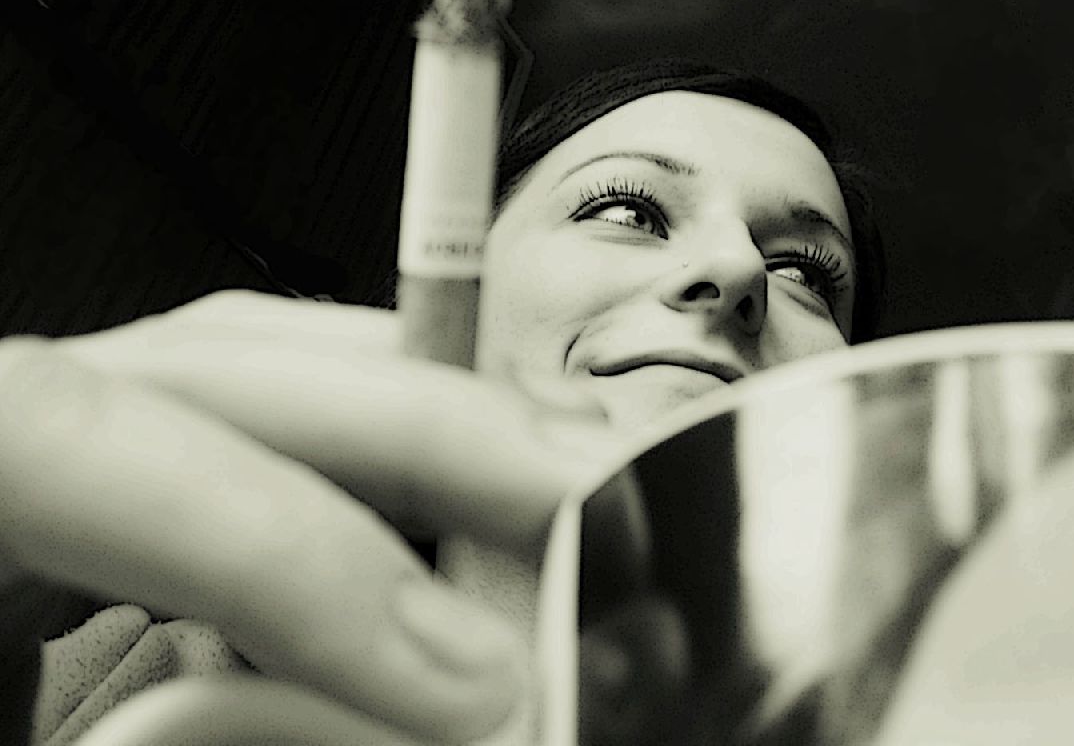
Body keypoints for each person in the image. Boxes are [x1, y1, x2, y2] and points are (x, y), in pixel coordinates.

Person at [0, 58, 885, 746]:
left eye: (806, 272)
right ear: (455, 292)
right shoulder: (116, 691)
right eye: (627, 211)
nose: (736, 267)